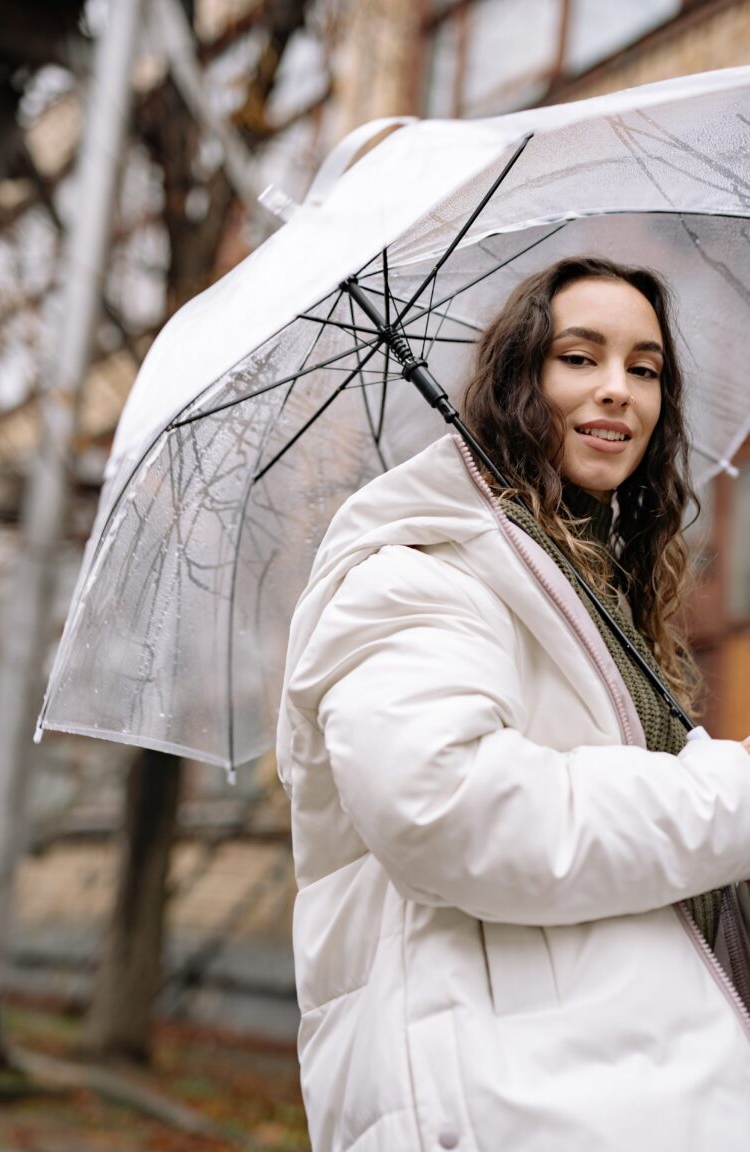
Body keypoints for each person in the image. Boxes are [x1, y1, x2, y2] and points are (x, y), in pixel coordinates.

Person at [277, 256, 750, 1152]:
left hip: (620, 1085)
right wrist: (732, 797)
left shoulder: (595, 592)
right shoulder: (417, 575)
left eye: (644, 369)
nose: (618, 390)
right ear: (519, 382)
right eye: (581, 358)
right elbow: (445, 807)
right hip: (513, 1100)